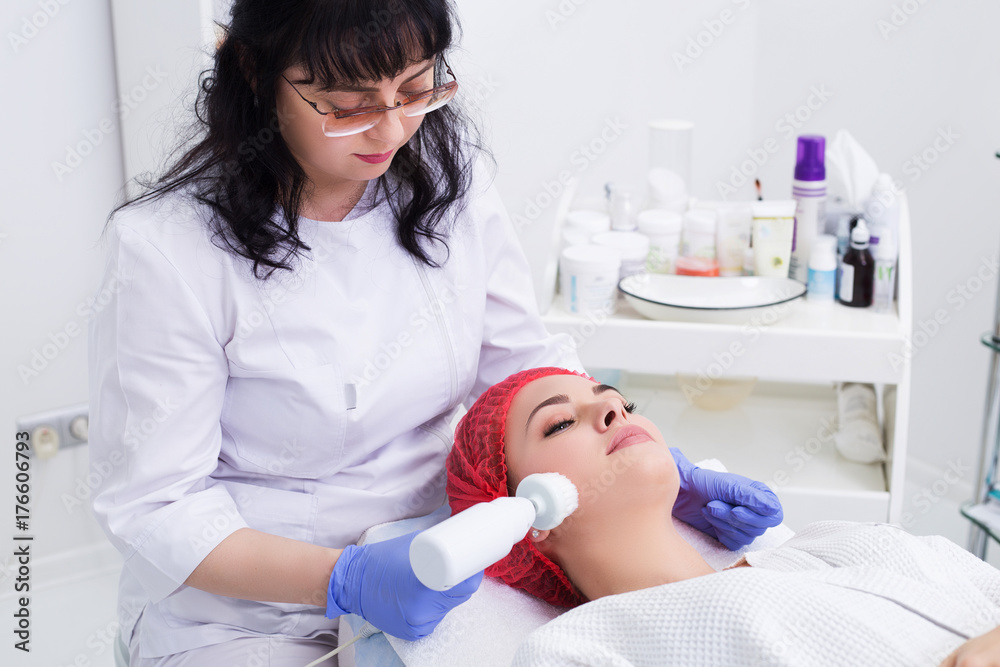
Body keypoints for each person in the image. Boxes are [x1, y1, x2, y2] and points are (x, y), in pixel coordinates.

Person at [88, 1, 782, 663]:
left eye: (417, 88)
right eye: (347, 103)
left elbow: (523, 366)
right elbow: (158, 503)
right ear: (252, 69)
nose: (391, 130)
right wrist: (342, 576)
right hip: (246, 607)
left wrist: (640, 461)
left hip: (450, 556)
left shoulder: (449, 184)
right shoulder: (168, 250)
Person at [446, 367, 1000, 667]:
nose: (613, 406)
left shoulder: (829, 544)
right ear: (527, 520)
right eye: (559, 424)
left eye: (619, 401)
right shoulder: (577, 651)